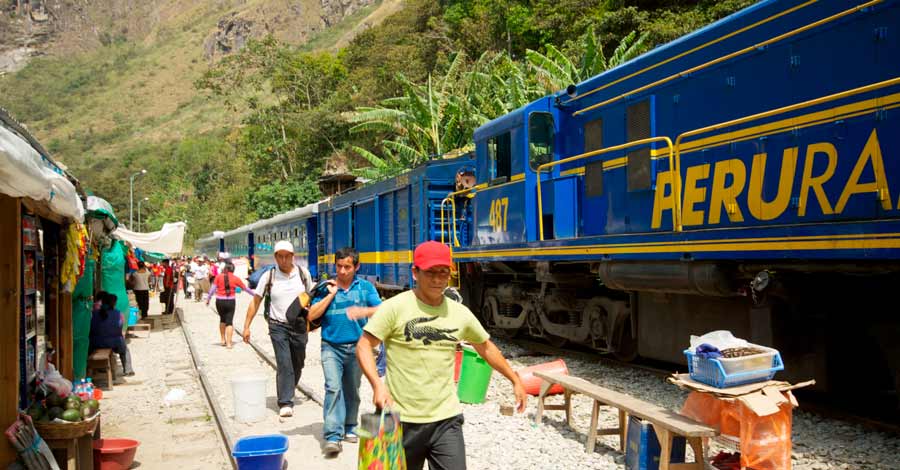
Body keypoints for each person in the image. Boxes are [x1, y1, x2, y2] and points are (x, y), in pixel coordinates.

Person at [357, 241, 526, 470]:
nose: (437, 280)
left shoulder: (459, 313)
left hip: (446, 420)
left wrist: (514, 378)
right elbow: (364, 345)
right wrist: (377, 385)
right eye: (430, 273)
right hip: (398, 419)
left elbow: (485, 346)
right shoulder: (395, 307)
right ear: (415, 272)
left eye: (443, 273)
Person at [308, 247, 382, 456]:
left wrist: (363, 311)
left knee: (352, 390)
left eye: (347, 267)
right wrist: (330, 296)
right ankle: (332, 435)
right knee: (333, 388)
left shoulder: (366, 287)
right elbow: (312, 315)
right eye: (339, 266)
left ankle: (350, 426)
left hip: (358, 348)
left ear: (356, 267)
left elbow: (381, 309)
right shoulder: (326, 287)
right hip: (331, 346)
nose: (342, 271)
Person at [242, 241, 313, 418]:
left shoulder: (303, 274)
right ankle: (285, 401)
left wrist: (314, 321)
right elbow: (256, 301)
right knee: (283, 362)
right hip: (277, 325)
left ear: (292, 256)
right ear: (275, 257)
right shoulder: (269, 276)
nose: (283, 260)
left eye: (286, 256)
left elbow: (312, 298)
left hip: (299, 326)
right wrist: (246, 326)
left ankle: (289, 388)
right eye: (279, 256)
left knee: (298, 362)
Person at [207, 263, 254, 348]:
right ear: (233, 270)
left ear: (225, 269)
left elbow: (213, 289)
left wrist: (208, 298)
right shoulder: (235, 278)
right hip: (230, 302)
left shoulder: (218, 277)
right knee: (229, 322)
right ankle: (229, 343)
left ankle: (222, 340)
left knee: (222, 319)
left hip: (219, 301)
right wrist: (255, 295)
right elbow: (246, 289)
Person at [90, 291, 135, 376]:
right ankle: (128, 370)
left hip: (96, 343)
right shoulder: (118, 314)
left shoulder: (94, 313)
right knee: (125, 350)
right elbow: (120, 327)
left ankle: (100, 368)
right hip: (115, 343)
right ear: (113, 304)